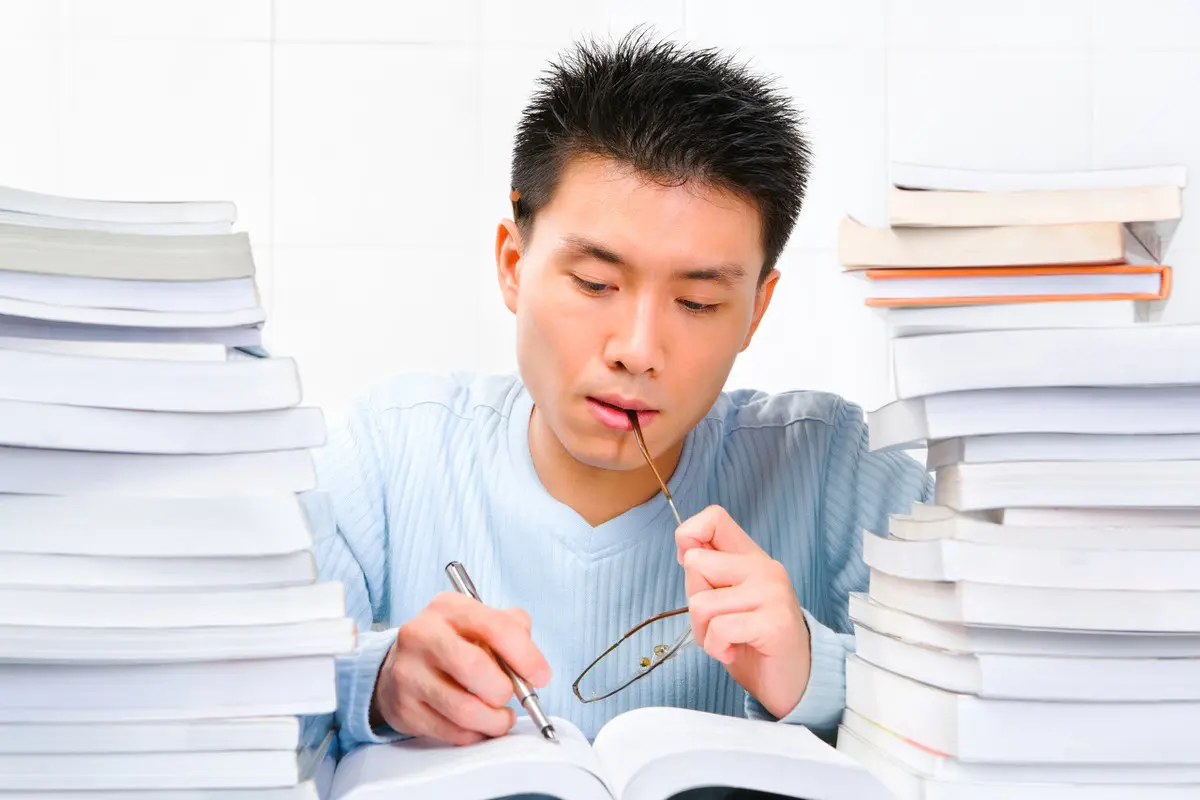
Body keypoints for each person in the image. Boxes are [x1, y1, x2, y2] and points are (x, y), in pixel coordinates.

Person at [302, 29, 931, 759]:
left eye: (697, 302)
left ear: (756, 311)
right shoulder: (386, 456)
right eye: (595, 283)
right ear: (513, 264)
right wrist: (375, 681)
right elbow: (238, 708)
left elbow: (995, 720)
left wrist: (816, 674)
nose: (637, 349)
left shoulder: (841, 475)